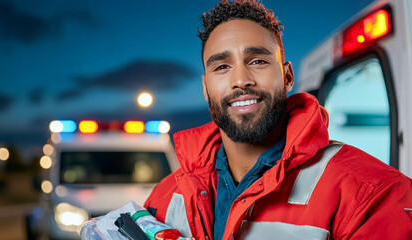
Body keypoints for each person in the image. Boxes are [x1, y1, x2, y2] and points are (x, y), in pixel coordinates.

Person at [144, 1, 412, 239]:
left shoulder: (372, 196)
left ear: (287, 76)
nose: (240, 80)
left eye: (258, 61)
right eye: (222, 67)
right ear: (205, 88)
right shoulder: (165, 197)